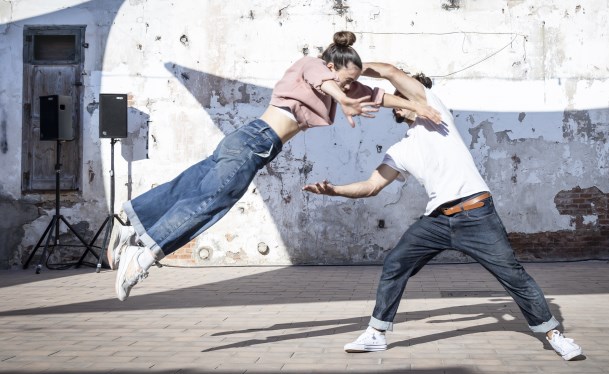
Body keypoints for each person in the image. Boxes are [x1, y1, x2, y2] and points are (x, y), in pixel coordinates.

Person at [107, 31, 443, 302]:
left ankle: (130, 223)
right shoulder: (311, 64)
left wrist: (417, 105)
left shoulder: (342, 83)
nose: (347, 87)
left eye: (350, 83)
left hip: (251, 141)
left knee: (192, 186)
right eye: (344, 80)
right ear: (330, 64)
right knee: (211, 201)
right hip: (256, 141)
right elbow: (324, 82)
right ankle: (145, 255)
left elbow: (379, 96)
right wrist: (341, 99)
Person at [302, 62, 583, 361]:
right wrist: (335, 190)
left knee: (512, 275)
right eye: (403, 98)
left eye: (412, 94)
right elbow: (372, 186)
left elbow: (389, 72)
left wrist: (353, 68)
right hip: (437, 220)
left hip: (476, 213)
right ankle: (376, 333)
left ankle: (554, 335)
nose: (411, 99)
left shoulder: (437, 115)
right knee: (395, 264)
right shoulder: (401, 150)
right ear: (397, 109)